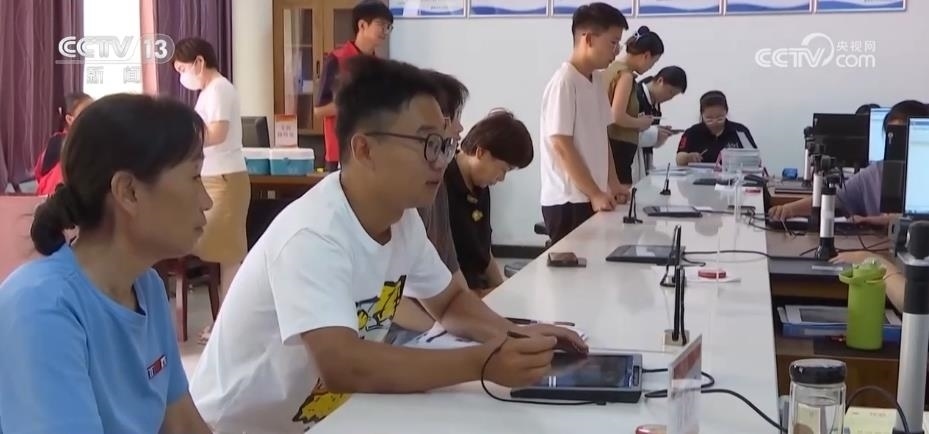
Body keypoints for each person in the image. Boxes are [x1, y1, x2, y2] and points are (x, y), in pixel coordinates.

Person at [189, 56, 586, 434]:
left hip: (320, 420)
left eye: (445, 145)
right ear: (364, 149)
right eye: (427, 143)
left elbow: (449, 302)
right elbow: (344, 365)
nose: (440, 161)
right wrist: (481, 363)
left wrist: (516, 335)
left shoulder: (402, 219)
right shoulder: (313, 235)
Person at [0, 94, 212, 433]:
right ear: (128, 192)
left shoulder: (147, 287)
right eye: (195, 177)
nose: (207, 201)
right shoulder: (41, 307)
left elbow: (183, 424)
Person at [172, 36, 251, 343]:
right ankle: (226, 323)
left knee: (228, 254)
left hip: (226, 180)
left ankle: (228, 326)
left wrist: (181, 138)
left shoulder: (219, 88)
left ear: (199, 62)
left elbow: (217, 133)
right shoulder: (209, 91)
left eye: (183, 69)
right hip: (214, 177)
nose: (182, 76)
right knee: (223, 253)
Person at [540, 2, 630, 245]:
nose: (616, 51)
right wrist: (594, 192)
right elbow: (561, 144)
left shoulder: (596, 80)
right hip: (568, 200)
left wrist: (613, 183)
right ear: (588, 39)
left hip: (592, 195)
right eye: (613, 43)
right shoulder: (564, 82)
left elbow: (602, 137)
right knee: (575, 267)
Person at [392, 69, 470, 339]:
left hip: (416, 328)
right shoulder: (325, 229)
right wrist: (442, 332)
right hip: (398, 332)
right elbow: (389, 308)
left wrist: (504, 332)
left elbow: (452, 289)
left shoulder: (428, 193)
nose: (460, 129)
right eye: (454, 117)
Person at [769, 100, 929, 225]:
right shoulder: (877, 172)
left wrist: (875, 221)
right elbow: (837, 198)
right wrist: (788, 209)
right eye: (892, 135)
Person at [447, 109, 534, 294]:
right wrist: (477, 297)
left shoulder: (481, 187)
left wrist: (501, 292)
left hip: (476, 290)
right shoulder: (442, 185)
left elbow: (484, 251)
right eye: (503, 169)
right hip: (452, 294)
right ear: (481, 152)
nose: (501, 178)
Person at [315, 0, 394, 171]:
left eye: (388, 27)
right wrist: (357, 103)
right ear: (362, 25)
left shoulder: (380, 66)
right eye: (380, 24)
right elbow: (319, 110)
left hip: (372, 150)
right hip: (341, 153)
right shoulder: (337, 59)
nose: (385, 31)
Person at [604, 26, 664, 184]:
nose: (651, 67)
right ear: (646, 55)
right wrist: (641, 123)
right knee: (621, 195)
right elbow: (616, 116)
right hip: (618, 147)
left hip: (608, 145)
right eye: (653, 62)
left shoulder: (611, 69)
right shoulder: (625, 76)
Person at [675, 90, 758, 166]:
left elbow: (755, 159)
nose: (715, 122)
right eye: (709, 119)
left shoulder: (741, 131)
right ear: (702, 114)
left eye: (720, 118)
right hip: (699, 177)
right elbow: (679, 159)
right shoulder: (692, 133)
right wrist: (687, 157)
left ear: (726, 112)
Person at [34, 92, 93, 196]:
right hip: (61, 200)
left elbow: (38, 174)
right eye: (87, 112)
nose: (94, 116)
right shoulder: (80, 144)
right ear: (70, 119)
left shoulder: (54, 140)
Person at [636, 66, 687, 170]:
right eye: (670, 92)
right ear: (660, 81)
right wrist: (655, 133)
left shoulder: (656, 105)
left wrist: (660, 134)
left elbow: (648, 135)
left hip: (645, 161)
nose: (670, 98)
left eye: (674, 95)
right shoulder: (635, 95)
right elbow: (625, 133)